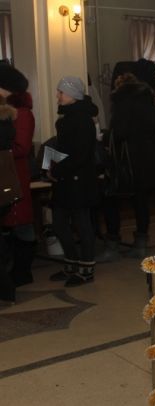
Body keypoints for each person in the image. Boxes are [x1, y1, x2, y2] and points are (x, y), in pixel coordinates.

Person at [96, 72, 155, 262]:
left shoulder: (122, 98)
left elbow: (120, 131)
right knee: (141, 202)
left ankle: (112, 244)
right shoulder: (147, 98)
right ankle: (141, 243)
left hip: (126, 161)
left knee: (111, 200)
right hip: (146, 158)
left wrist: (105, 136)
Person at [47, 77, 99, 286]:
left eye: (61, 92)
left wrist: (57, 169)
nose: (57, 96)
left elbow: (80, 154)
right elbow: (62, 148)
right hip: (64, 179)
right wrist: (49, 166)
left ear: (72, 94)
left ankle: (86, 269)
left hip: (79, 180)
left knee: (82, 224)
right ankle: (71, 263)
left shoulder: (83, 120)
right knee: (59, 223)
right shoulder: (66, 119)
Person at [0, 63, 36, 301]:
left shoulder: (21, 113)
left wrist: (4, 150)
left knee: (21, 225)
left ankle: (23, 272)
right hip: (8, 173)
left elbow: (21, 147)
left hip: (14, 174)